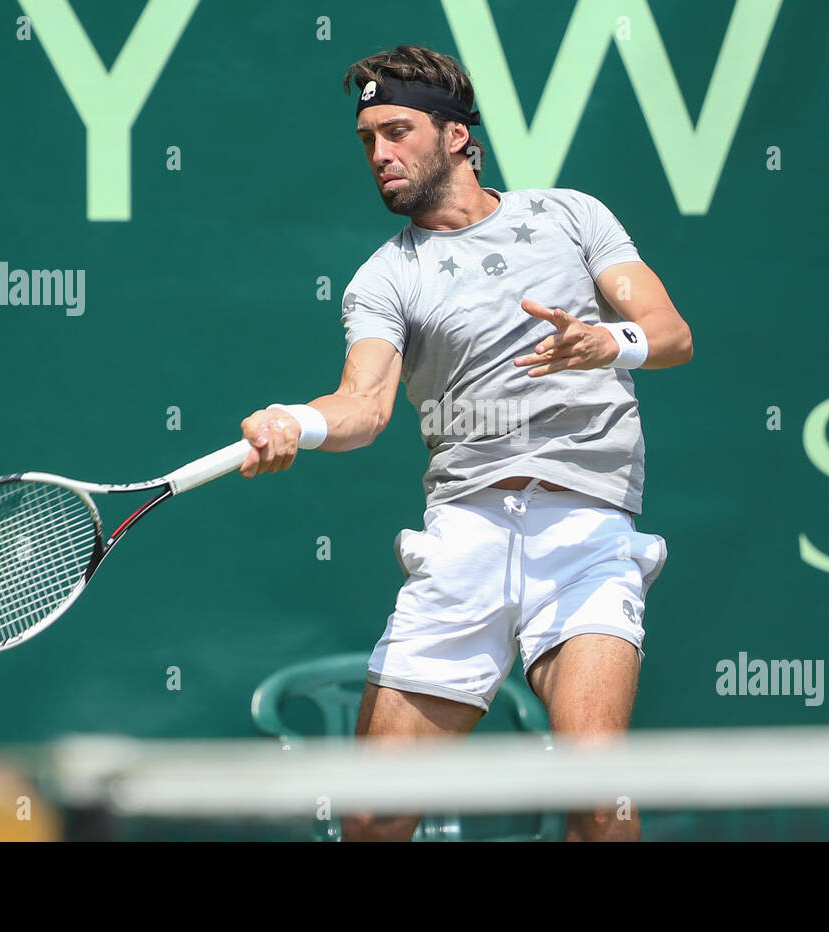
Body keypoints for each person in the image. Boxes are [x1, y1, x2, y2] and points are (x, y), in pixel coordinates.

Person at [238, 45, 692, 841]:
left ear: (455, 135)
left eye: (397, 130)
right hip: (466, 539)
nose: (380, 153)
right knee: (375, 814)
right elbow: (363, 406)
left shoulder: (572, 217)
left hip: (585, 534)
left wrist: (606, 343)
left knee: (599, 794)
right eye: (367, 139)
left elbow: (670, 333)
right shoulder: (384, 278)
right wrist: (296, 422)